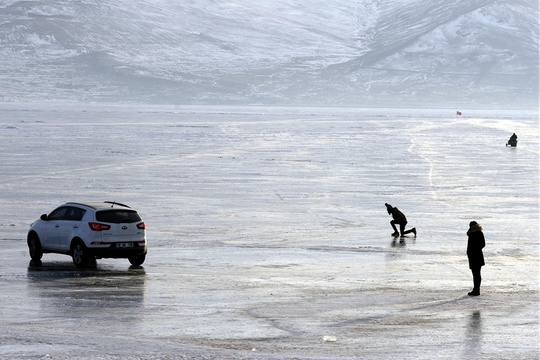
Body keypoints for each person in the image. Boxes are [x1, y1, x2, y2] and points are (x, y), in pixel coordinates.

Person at [466, 221, 485, 296]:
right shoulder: (475, 233)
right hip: (475, 256)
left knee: (476, 273)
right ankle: (476, 289)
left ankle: (476, 290)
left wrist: (473, 250)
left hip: (475, 256)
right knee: (476, 273)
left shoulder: (476, 233)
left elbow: (482, 244)